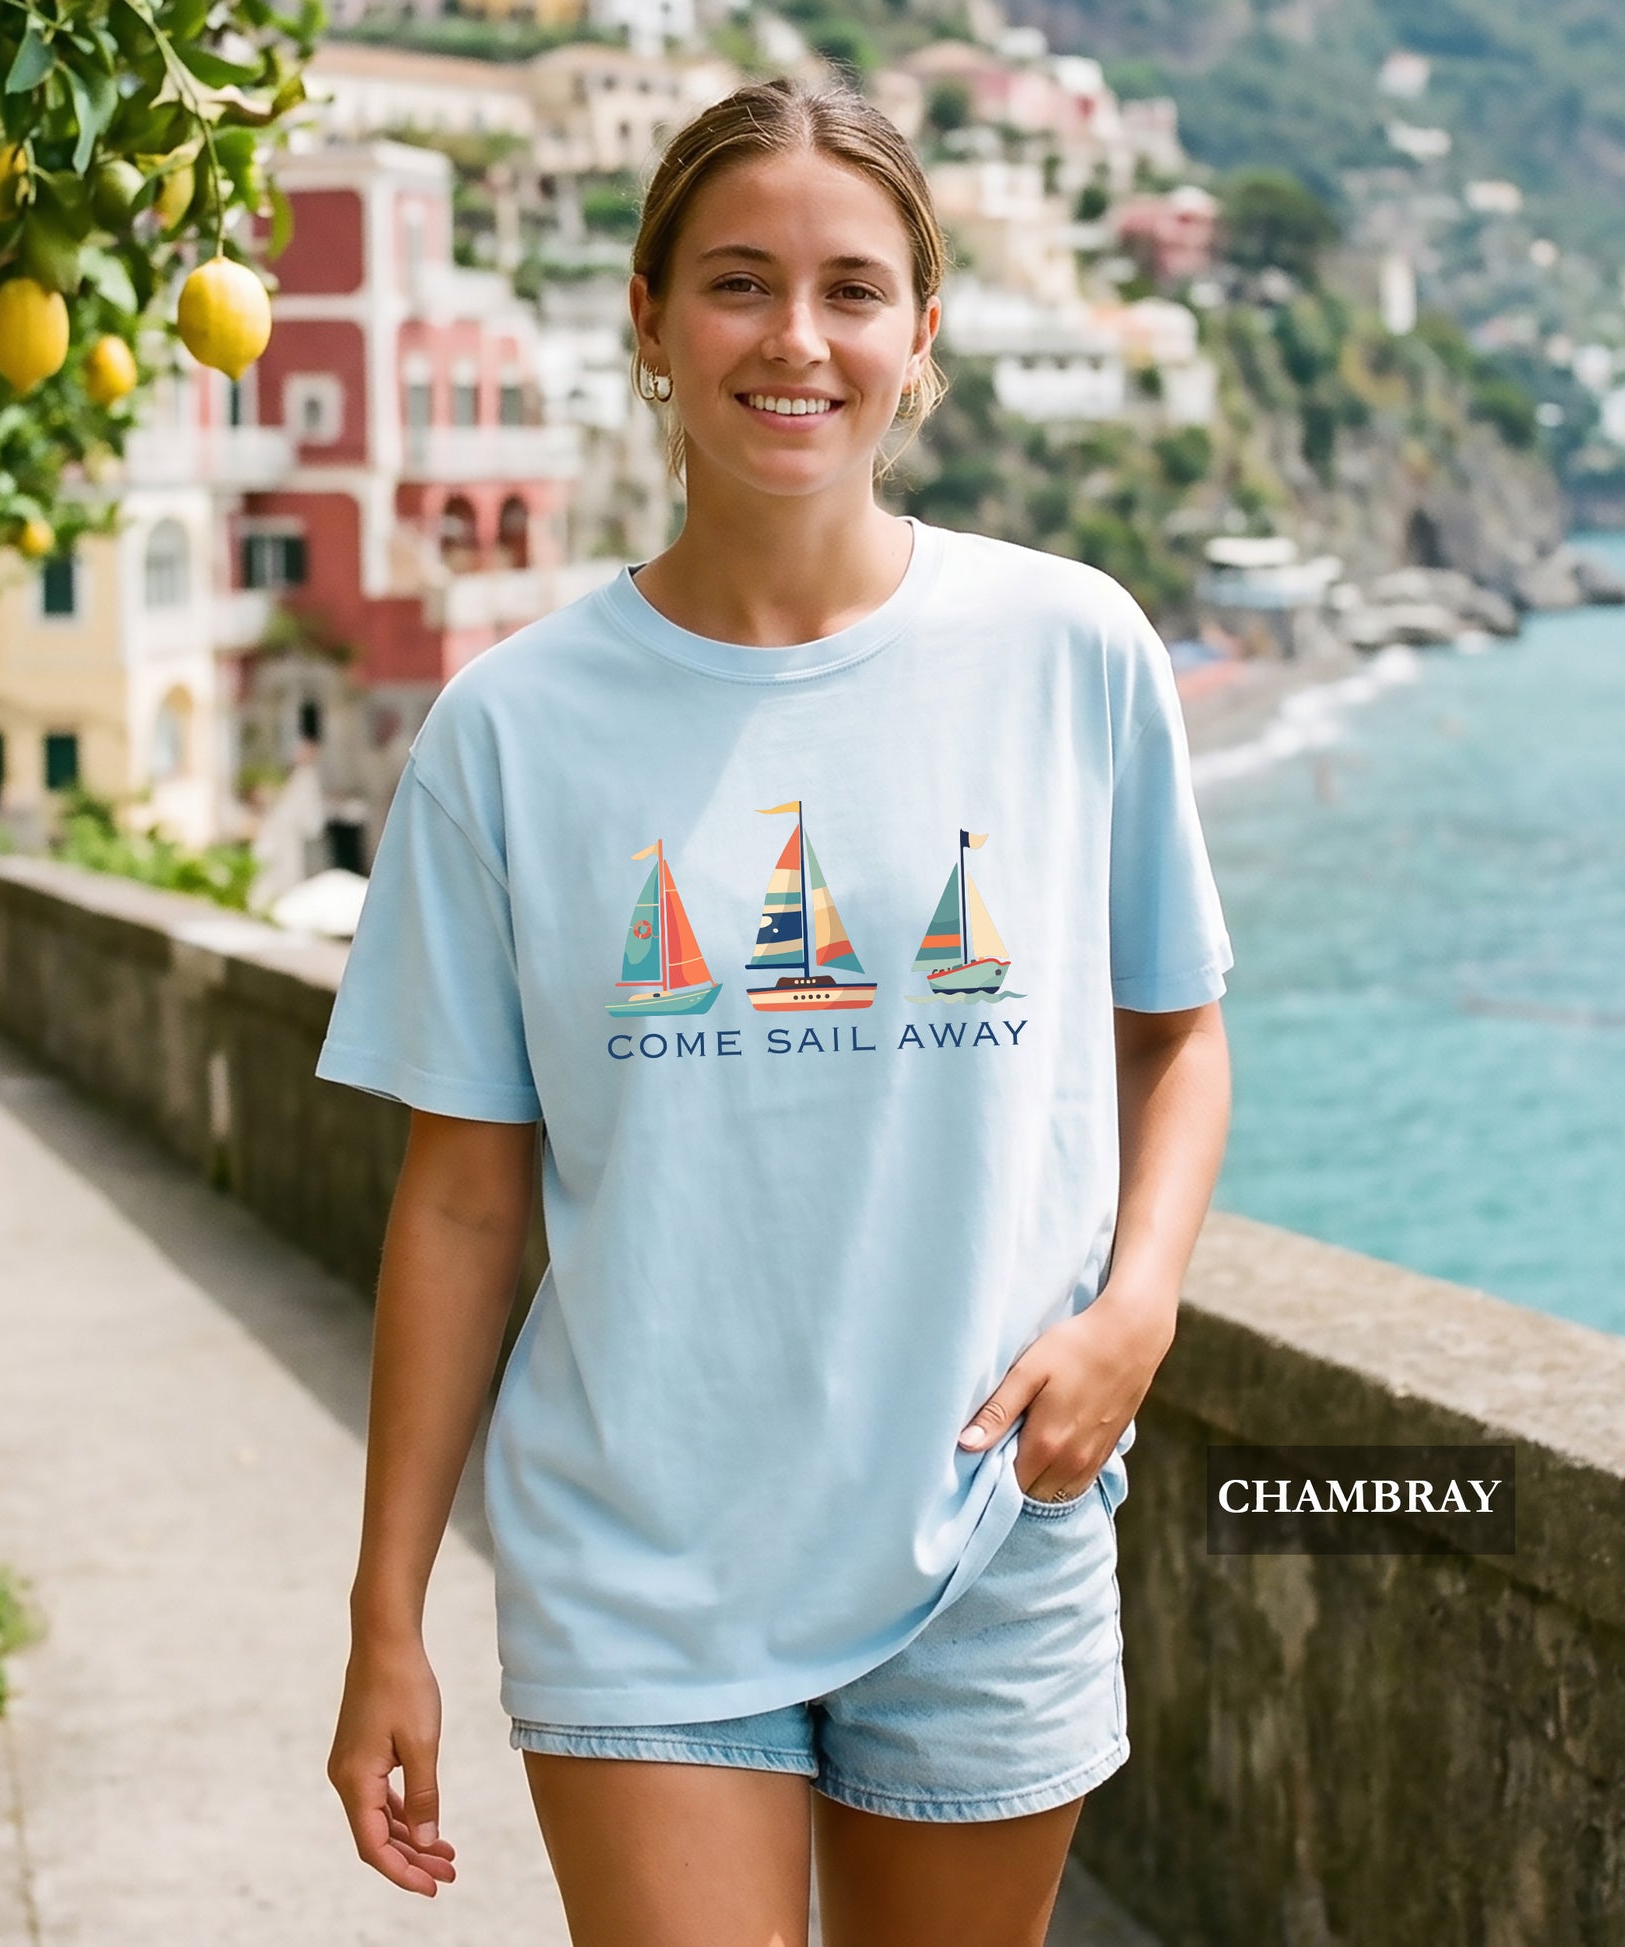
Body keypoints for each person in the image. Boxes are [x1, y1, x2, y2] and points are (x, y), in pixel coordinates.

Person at [319, 76, 1234, 1947]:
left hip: (989, 1529)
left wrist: (1132, 1314)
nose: (794, 340)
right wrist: (384, 1616)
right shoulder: (509, 730)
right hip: (638, 1556)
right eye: (737, 283)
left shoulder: (1070, 650)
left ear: (918, 335)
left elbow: (1175, 1030)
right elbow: (462, 1199)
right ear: (648, 319)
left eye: (850, 289)